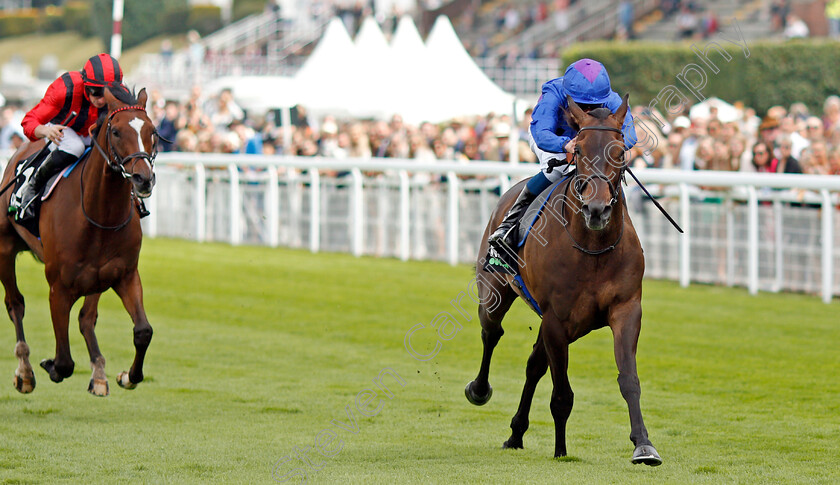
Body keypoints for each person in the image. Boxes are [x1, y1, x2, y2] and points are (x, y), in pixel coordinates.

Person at [487, 58, 637, 247]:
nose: (588, 110)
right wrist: (565, 144)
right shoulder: (553, 92)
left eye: (595, 105)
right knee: (556, 171)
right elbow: (541, 133)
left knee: (606, 173)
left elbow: (631, 135)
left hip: (590, 141)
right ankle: (508, 225)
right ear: (569, 96)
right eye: (582, 106)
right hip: (553, 137)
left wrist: (607, 149)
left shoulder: (611, 98)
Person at [16, 53, 123, 220]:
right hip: (62, 127)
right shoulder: (64, 88)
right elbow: (29, 122)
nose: (101, 100)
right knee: (75, 147)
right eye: (96, 92)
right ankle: (32, 186)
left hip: (92, 132)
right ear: (85, 84)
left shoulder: (120, 94)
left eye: (107, 92)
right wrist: (45, 131)